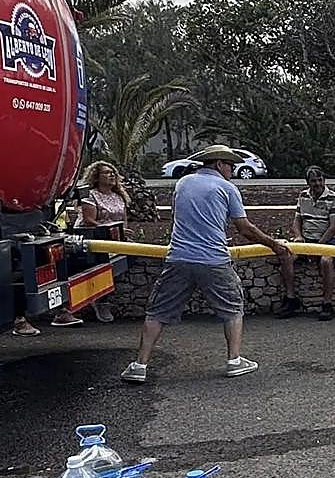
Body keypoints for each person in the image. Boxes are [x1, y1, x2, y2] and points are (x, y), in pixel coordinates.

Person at [119, 145, 291, 383]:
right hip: (214, 259)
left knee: (157, 311)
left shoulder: (183, 183)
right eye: (230, 165)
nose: (233, 170)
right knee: (232, 307)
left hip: (179, 257)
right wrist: (275, 245)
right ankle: (234, 360)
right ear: (219, 164)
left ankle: (140, 365)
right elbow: (245, 228)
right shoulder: (226, 188)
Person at [277, 166, 335, 321]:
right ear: (308, 182)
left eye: (320, 180)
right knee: (286, 256)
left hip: (329, 239)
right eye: (314, 181)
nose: (318, 184)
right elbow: (297, 221)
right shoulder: (303, 196)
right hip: (308, 238)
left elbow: (334, 227)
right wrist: (299, 237)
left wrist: (316, 247)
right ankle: (291, 299)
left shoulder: (334, 199)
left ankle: (327, 303)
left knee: (326, 261)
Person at [71, 160, 131, 325]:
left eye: (113, 172)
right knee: (101, 264)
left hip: (115, 239)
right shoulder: (91, 196)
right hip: (93, 238)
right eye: (106, 172)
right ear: (96, 177)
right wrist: (111, 231)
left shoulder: (119, 196)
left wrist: (122, 232)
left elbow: (123, 220)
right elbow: (90, 220)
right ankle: (100, 301)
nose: (111, 175)